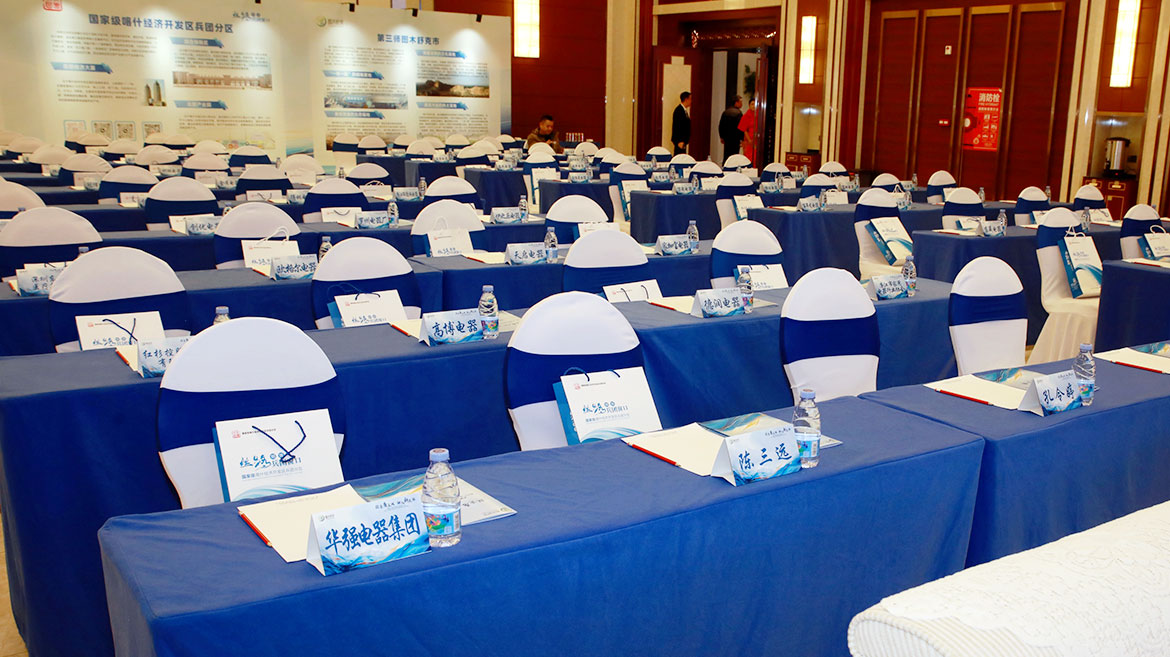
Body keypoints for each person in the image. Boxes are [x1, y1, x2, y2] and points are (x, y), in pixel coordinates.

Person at [737, 97, 757, 166]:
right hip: (748, 141)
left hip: (756, 140)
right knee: (748, 159)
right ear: (749, 105)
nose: (754, 106)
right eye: (752, 104)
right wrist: (749, 140)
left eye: (755, 104)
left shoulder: (759, 115)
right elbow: (744, 130)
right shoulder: (746, 116)